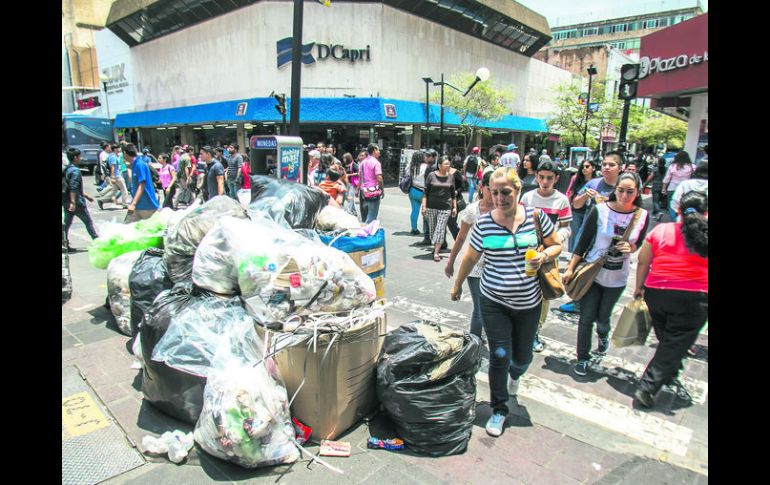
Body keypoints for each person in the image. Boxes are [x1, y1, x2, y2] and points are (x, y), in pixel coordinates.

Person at [451, 166, 561, 437]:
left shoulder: (536, 217)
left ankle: (515, 375)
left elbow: (556, 244)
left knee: (522, 358)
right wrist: (457, 284)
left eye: (506, 192)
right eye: (495, 192)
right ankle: (499, 409)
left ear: (518, 190)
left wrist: (544, 256)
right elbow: (471, 257)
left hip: (529, 304)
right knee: (499, 355)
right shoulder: (484, 223)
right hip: (494, 301)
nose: (499, 198)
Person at [562, 172, 650, 376]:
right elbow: (583, 242)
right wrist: (571, 267)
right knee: (586, 318)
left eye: (630, 192)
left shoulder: (642, 215)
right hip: (592, 273)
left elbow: (639, 243)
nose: (624, 196)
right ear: (614, 190)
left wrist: (631, 247)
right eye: (621, 190)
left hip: (618, 277)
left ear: (637, 193)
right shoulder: (600, 210)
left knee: (603, 318)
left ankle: (603, 335)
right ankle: (582, 357)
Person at [632, 191, 707, 408]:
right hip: (694, 297)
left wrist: (639, 287)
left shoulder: (661, 230)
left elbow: (643, 261)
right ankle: (648, 386)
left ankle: (670, 372)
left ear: (678, 210)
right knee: (675, 343)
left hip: (658, 293)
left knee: (669, 340)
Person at [559, 152, 623, 313]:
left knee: (603, 271)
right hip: (589, 232)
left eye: (611, 165)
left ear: (620, 168)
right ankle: (577, 300)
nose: (607, 167)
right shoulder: (593, 183)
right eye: (605, 164)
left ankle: (597, 303)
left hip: (611, 235)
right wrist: (584, 196)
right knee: (581, 266)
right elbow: (576, 204)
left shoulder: (622, 187)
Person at [520, 160, 572, 353]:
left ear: (556, 179)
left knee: (544, 294)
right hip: (527, 252)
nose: (545, 181)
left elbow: (566, 228)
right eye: (541, 177)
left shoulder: (562, 200)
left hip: (549, 254)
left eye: (549, 178)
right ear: (536, 176)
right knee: (523, 290)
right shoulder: (527, 197)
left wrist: (555, 238)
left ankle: (535, 332)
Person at [445, 171, 494, 340]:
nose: (494, 194)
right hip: (475, 266)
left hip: (497, 267)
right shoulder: (472, 211)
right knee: (480, 309)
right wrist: (450, 262)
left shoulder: (504, 209)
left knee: (493, 308)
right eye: (490, 189)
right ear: (481, 187)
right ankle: (474, 344)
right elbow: (460, 239)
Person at [422, 156, 457, 262]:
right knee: (433, 230)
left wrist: (454, 207)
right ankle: (436, 247)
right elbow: (425, 193)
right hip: (431, 207)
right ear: (439, 165)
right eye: (446, 164)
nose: (448, 165)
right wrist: (423, 207)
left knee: (440, 229)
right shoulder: (431, 176)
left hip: (445, 208)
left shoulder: (451, 177)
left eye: (449, 164)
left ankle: (436, 252)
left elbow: (453, 194)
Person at [62, 148, 98, 248]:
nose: (80, 158)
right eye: (79, 156)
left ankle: (65, 243)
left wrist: (86, 196)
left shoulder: (67, 169)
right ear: (75, 157)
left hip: (66, 201)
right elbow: (73, 187)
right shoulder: (75, 171)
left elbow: (73, 187)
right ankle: (97, 241)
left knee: (67, 224)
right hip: (76, 202)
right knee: (88, 221)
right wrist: (73, 202)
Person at [565, 159, 597, 253]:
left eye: (587, 166)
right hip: (576, 211)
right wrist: (567, 210)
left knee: (587, 235)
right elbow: (570, 193)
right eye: (583, 167)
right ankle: (571, 253)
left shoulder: (597, 181)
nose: (584, 169)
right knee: (574, 234)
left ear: (593, 168)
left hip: (590, 212)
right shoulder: (576, 178)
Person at [124, 143, 160, 223]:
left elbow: (142, 184)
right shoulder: (134, 164)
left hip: (147, 205)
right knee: (127, 226)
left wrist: (133, 204)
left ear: (125, 153)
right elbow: (132, 181)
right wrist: (128, 167)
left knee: (151, 228)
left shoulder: (140, 164)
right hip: (138, 206)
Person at [662, 151, 694, 221]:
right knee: (684, 206)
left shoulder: (672, 166)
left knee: (671, 205)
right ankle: (682, 220)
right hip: (686, 190)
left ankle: (674, 220)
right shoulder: (692, 166)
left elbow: (667, 178)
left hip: (672, 188)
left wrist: (663, 188)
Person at [95, 144, 130, 209]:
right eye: (118, 148)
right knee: (124, 190)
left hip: (115, 176)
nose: (119, 149)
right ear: (115, 149)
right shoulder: (113, 157)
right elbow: (112, 167)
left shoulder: (112, 156)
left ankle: (101, 200)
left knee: (114, 190)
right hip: (116, 176)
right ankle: (125, 204)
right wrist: (113, 177)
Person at [417, 149, 440, 246]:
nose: (426, 157)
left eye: (428, 156)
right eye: (426, 156)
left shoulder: (433, 168)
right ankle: (429, 238)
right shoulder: (431, 167)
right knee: (429, 217)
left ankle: (429, 238)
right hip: (431, 194)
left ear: (434, 157)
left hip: (431, 195)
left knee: (428, 217)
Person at [360, 143, 384, 223]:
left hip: (364, 190)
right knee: (372, 214)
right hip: (373, 191)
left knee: (365, 215)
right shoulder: (376, 163)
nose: (379, 152)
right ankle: (367, 229)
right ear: (374, 150)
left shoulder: (363, 162)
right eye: (378, 150)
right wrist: (382, 190)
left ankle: (365, 227)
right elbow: (379, 178)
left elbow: (360, 176)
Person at [407, 151, 429, 236]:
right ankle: (427, 230)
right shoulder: (426, 167)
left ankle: (414, 229)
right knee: (425, 211)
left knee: (414, 210)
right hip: (423, 192)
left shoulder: (410, 166)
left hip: (412, 190)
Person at [446, 156, 466, 241]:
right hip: (442, 201)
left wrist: (457, 191)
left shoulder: (456, 172)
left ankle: (459, 240)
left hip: (455, 201)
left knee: (451, 222)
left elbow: (462, 186)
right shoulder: (439, 173)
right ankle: (442, 244)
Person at [647, 156, 668, 221]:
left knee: (655, 201)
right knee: (659, 201)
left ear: (658, 163)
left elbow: (650, 177)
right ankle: (655, 214)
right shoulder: (667, 169)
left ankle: (658, 212)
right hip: (663, 186)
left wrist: (645, 184)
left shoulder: (655, 169)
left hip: (656, 186)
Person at [342, 152, 359, 216]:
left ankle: (348, 211)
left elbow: (358, 173)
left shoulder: (353, 164)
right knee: (347, 197)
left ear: (348, 158)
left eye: (345, 158)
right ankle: (354, 211)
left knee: (350, 196)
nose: (344, 160)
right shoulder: (344, 165)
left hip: (352, 183)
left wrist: (349, 175)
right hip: (346, 183)